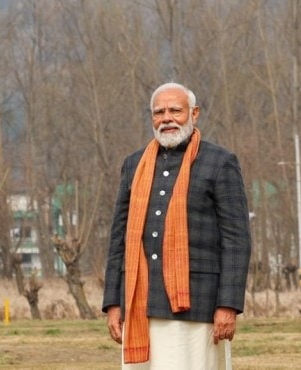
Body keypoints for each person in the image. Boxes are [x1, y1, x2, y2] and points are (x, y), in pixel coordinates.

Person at [103, 82, 251, 369]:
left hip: (197, 304)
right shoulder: (133, 165)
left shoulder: (220, 162)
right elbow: (118, 239)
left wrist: (228, 305)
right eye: (159, 112)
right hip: (139, 305)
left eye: (175, 110)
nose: (167, 118)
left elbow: (237, 240)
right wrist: (113, 303)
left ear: (194, 113)